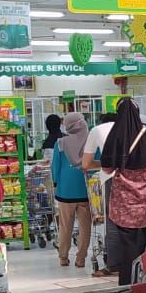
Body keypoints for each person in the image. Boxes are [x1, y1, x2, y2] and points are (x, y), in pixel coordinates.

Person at [100, 98, 146, 286]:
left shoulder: (115, 136)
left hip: (125, 200)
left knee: (127, 245)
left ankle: (127, 282)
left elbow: (107, 168)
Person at [51, 112, 91, 268]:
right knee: (85, 227)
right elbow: (97, 163)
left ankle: (63, 257)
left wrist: (55, 183)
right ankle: (81, 259)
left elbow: (56, 167)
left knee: (65, 226)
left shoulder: (60, 143)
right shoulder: (91, 142)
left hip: (65, 191)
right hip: (85, 191)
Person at [83, 111, 119, 278]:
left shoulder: (97, 130)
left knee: (112, 222)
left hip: (112, 179)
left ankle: (113, 265)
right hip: (138, 177)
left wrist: (102, 163)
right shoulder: (133, 128)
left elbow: (86, 163)